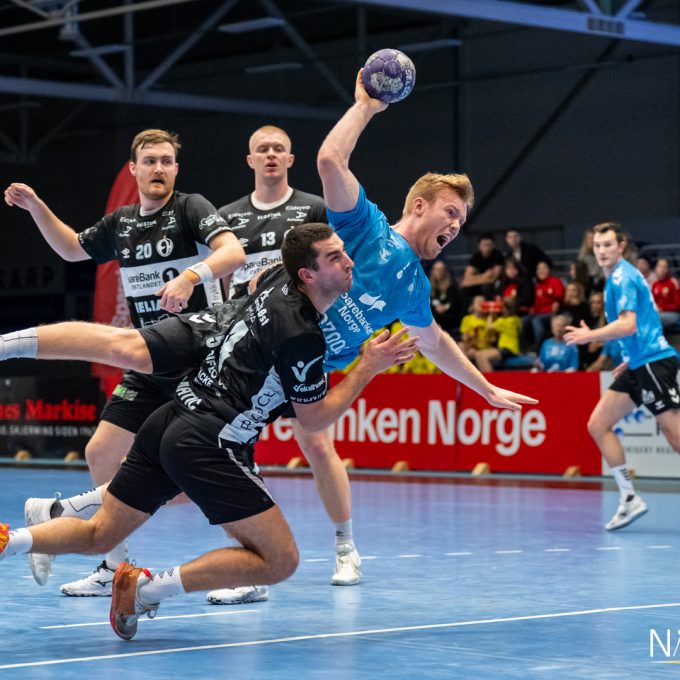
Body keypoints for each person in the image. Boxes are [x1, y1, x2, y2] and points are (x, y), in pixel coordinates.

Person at [14, 72, 538, 597]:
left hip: (276, 375)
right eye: (451, 212)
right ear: (419, 205)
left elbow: (435, 340)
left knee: (225, 456)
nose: (457, 226)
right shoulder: (366, 227)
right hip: (237, 331)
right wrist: (366, 106)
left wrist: (484, 387)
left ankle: (334, 546)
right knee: (135, 362)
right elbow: (331, 161)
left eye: (462, 219)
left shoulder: (414, 287)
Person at [0, 224, 419, 641]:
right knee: (280, 560)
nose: (349, 263)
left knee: (100, 534)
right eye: (335, 257)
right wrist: (367, 367)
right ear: (307, 275)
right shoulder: (303, 336)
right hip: (212, 442)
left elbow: (257, 278)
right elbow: (313, 419)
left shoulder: (279, 278)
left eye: (344, 252)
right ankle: (145, 590)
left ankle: (9, 540)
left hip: (171, 417)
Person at [3, 129, 247, 597]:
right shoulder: (123, 223)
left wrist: (190, 276)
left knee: (202, 473)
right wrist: (36, 207)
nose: (159, 168)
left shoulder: (191, 208)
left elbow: (232, 252)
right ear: (134, 169)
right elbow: (71, 248)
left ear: (176, 169)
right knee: (100, 452)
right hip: (150, 359)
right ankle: (113, 567)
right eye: (150, 161)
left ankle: (249, 571)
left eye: (167, 161)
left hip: (199, 363)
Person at [564, 222, 680, 531]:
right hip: (637, 363)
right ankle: (629, 498)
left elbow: (629, 325)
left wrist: (590, 336)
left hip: (654, 362)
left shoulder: (622, 277)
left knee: (675, 437)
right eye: (597, 246)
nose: (602, 251)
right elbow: (641, 324)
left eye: (608, 245)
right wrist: (628, 359)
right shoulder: (613, 278)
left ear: (621, 246)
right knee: (598, 424)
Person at [218, 125, 326, 299]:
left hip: (297, 307)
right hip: (244, 310)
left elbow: (327, 262)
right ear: (250, 160)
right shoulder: (226, 215)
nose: (271, 154)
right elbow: (221, 278)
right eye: (262, 149)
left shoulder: (314, 207)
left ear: (290, 159)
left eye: (278, 149)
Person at [471, 298, 522, 373]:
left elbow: (489, 326)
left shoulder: (503, 322)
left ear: (504, 309)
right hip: (512, 350)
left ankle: (489, 379)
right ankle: (486, 377)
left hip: (507, 350)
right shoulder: (516, 320)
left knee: (482, 357)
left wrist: (490, 314)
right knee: (478, 355)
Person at [524, 260, 565, 351]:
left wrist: (557, 302)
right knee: (524, 320)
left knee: (536, 320)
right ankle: (525, 347)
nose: (541, 270)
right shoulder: (538, 286)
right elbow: (536, 305)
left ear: (549, 270)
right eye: (539, 268)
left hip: (552, 313)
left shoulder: (555, 281)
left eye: (544, 268)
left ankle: (540, 347)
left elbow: (560, 296)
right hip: (539, 313)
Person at [460, 234, 504, 303]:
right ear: (479, 246)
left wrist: (474, 279)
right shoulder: (476, 257)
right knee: (464, 290)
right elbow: (466, 279)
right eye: (484, 245)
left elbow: (493, 279)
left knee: (487, 287)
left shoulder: (498, 255)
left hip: (493, 285)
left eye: (489, 245)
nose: (487, 248)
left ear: (494, 245)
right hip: (479, 284)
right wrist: (484, 276)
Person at [428, 260, 464, 336]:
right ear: (433, 271)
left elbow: (453, 303)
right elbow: (430, 301)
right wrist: (436, 307)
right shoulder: (429, 287)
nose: (439, 272)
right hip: (435, 316)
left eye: (441, 269)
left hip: (448, 316)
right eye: (436, 269)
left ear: (445, 271)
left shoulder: (451, 287)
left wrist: (444, 307)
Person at [458, 295, 493, 360]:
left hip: (483, 347)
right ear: (472, 306)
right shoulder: (466, 319)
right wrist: (469, 337)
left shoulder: (488, 319)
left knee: (472, 352)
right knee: (460, 345)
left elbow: (491, 339)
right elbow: (464, 337)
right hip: (470, 345)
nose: (481, 303)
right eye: (478, 302)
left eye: (483, 302)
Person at [651, 258, 680, 330]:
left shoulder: (673, 282)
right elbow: (653, 302)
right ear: (655, 268)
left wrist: (662, 307)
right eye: (660, 266)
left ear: (668, 270)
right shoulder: (655, 284)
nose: (662, 269)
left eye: (665, 267)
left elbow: (678, 304)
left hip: (672, 313)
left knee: (654, 318)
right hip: (658, 312)